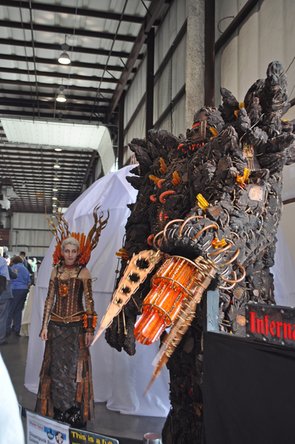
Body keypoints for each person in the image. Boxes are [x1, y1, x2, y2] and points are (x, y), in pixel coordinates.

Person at [35, 237, 97, 428]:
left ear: (78, 253)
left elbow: (89, 302)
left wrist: (89, 329)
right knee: (55, 369)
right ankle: (58, 410)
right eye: (66, 251)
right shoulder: (56, 270)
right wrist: (44, 326)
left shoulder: (83, 272)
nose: (69, 254)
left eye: (73, 251)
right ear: (62, 252)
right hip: (56, 327)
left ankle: (74, 410)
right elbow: (49, 299)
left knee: (74, 370)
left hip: (76, 328)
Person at [6, 256, 30, 337]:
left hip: (14, 289)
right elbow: (28, 281)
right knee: (18, 310)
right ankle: (17, 328)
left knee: (10, 310)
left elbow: (9, 279)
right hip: (24, 290)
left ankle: (7, 329)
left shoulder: (12, 268)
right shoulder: (25, 268)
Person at [0, 248, 17, 345]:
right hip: (4, 293)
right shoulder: (2, 261)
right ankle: (1, 339)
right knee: (2, 317)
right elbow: (13, 275)